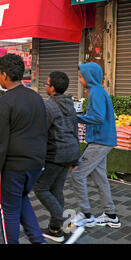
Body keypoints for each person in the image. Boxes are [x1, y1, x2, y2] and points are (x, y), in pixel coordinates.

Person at [0, 54, 48, 244]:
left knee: (9, 210)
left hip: (13, 167)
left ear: (4, 75)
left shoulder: (4, 102)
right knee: (21, 200)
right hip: (35, 164)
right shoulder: (36, 97)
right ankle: (39, 240)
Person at [33, 72, 81, 243]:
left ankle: (61, 219)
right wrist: (75, 158)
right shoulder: (70, 103)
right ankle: (55, 229)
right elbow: (75, 130)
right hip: (71, 151)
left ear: (52, 88)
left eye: (46, 83)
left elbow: (41, 132)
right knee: (56, 189)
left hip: (56, 153)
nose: (45, 86)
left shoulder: (48, 106)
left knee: (41, 188)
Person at [71, 63, 120, 228]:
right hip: (102, 140)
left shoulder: (96, 92)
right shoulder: (97, 91)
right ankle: (111, 215)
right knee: (100, 178)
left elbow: (98, 117)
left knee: (77, 174)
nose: (80, 79)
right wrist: (82, 116)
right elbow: (96, 115)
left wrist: (76, 117)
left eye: (81, 76)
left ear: (89, 76)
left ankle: (86, 215)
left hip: (100, 141)